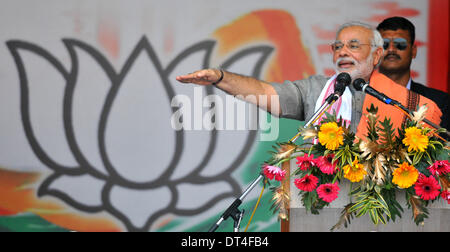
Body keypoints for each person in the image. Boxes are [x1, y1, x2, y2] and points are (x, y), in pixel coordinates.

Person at [176, 21, 442, 139]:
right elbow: (264, 92)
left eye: (352, 45)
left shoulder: (408, 102)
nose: (342, 52)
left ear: (376, 55)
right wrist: (220, 77)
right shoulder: (317, 89)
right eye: (337, 47)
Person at [377, 16, 449, 131]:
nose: (391, 49)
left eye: (400, 44)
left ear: (413, 51)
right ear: (376, 52)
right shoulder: (360, 97)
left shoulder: (439, 102)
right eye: (384, 44)